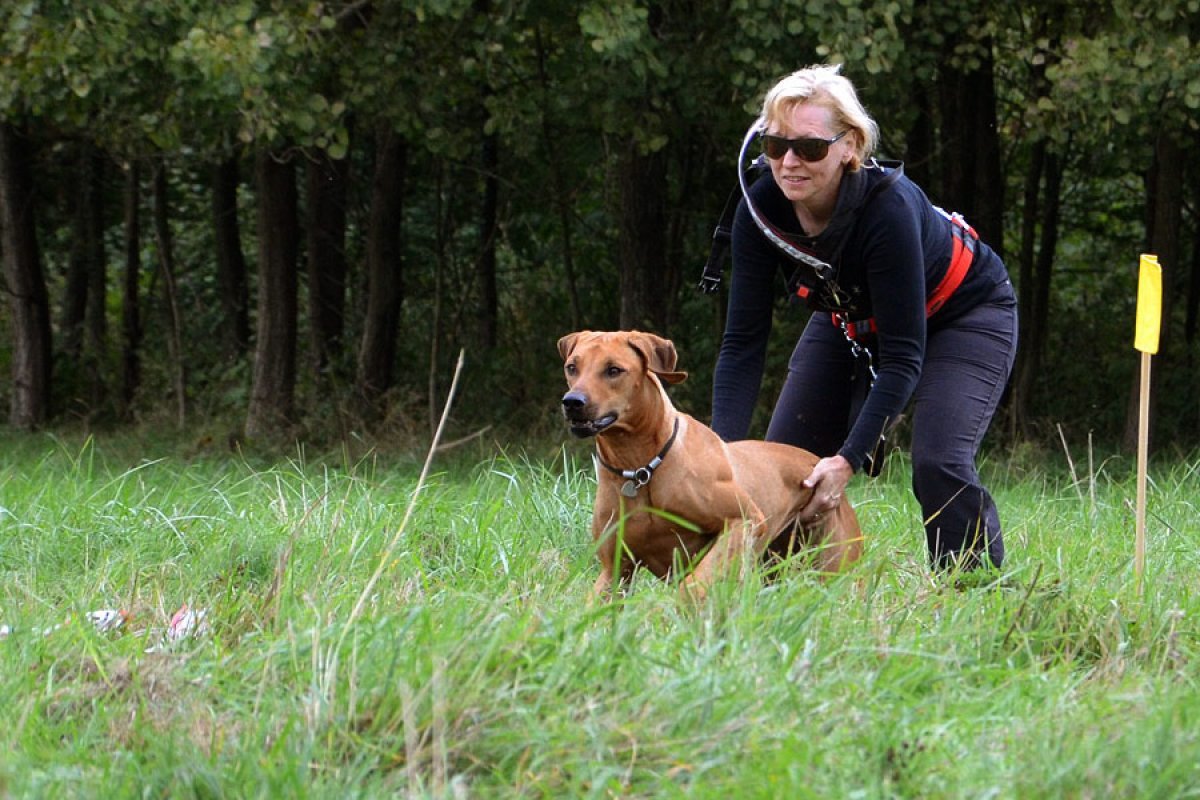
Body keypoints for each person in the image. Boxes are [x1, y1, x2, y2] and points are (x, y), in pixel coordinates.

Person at [710, 64, 1018, 571]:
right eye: (774, 145)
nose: (789, 162)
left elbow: (902, 358)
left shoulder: (887, 211)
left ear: (850, 146)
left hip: (963, 313)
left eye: (809, 148)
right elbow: (743, 343)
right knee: (782, 466)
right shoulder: (760, 206)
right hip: (851, 320)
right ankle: (778, 594)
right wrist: (720, 456)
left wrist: (847, 460)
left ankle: (972, 591)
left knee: (937, 462)